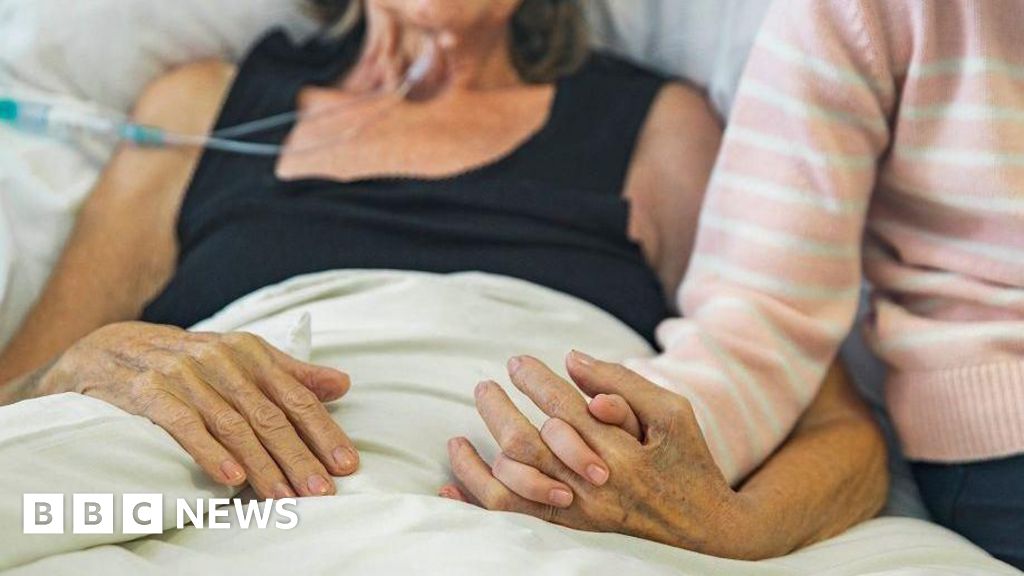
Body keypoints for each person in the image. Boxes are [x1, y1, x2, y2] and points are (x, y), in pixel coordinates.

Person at [0, 0, 886, 559]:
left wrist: (726, 529)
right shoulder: (200, 108)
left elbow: (837, 431)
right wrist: (102, 362)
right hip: (240, 499)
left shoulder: (657, 126)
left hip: (520, 512)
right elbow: (21, 388)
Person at [447, 0, 1023, 568]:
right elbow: (760, 314)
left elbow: (812, 388)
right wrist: (629, 440)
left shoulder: (648, 120)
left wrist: (725, 513)